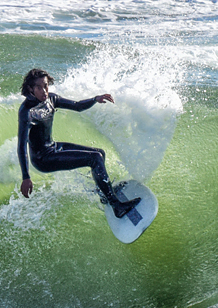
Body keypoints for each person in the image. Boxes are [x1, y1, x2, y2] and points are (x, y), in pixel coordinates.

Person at [17, 68, 140, 218]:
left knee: (99, 153)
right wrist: (26, 177)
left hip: (53, 147)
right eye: (39, 87)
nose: (44, 91)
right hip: (43, 159)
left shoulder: (51, 99)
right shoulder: (27, 112)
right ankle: (116, 206)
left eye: (46, 85)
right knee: (94, 158)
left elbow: (77, 105)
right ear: (30, 88)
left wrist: (95, 99)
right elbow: (21, 146)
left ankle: (103, 192)